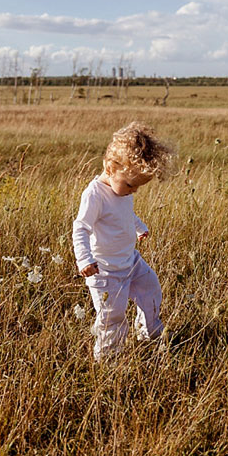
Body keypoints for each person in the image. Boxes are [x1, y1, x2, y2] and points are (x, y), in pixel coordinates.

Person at [72, 122, 175, 360]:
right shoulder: (95, 194)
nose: (133, 191)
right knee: (113, 316)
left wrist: (139, 227)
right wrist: (84, 259)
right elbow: (81, 227)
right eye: (130, 184)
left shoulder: (122, 191)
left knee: (151, 290)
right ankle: (108, 359)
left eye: (138, 187)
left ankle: (148, 333)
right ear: (110, 167)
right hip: (106, 271)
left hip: (131, 262)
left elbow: (126, 214)